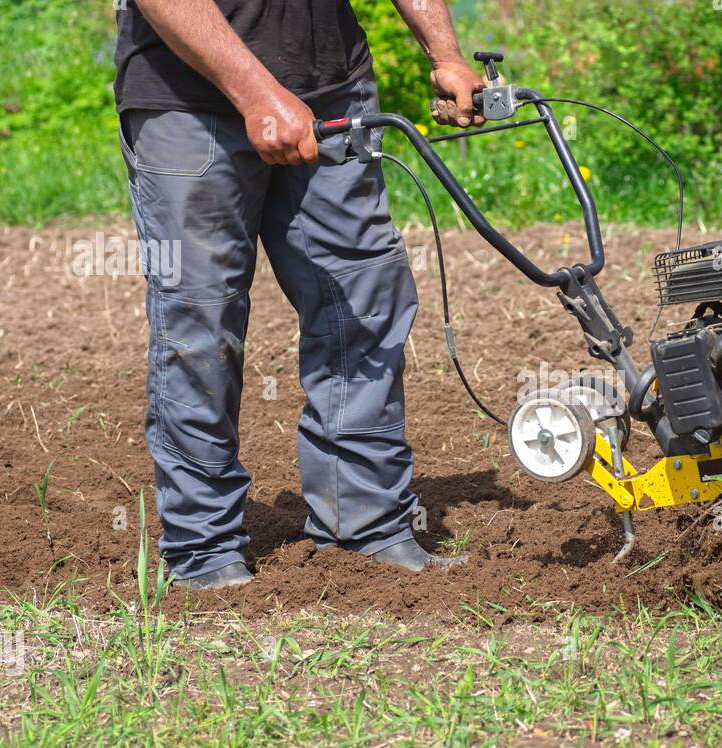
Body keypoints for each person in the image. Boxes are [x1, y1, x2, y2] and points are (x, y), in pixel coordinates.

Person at [114, 1, 485, 588]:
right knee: (201, 323)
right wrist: (257, 92)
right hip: (187, 102)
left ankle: (364, 520)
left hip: (333, 87)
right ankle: (204, 547)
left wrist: (445, 54)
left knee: (364, 296)